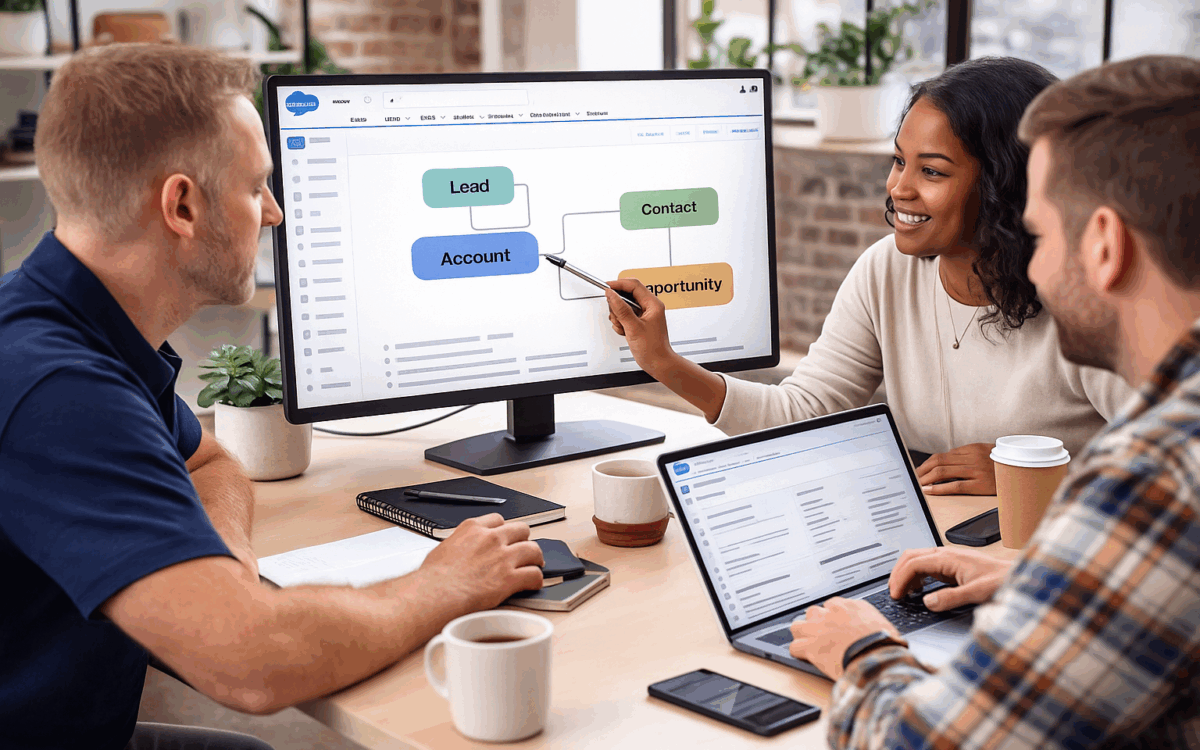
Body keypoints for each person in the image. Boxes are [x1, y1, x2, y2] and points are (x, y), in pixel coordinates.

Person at [0, 44, 544, 750]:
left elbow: (213, 464)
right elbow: (250, 666)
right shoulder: (61, 392)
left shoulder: (73, 328)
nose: (276, 212)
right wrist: (443, 584)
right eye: (255, 185)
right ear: (183, 205)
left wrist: (223, 561)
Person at [788, 54, 1200, 748]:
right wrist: (1038, 574)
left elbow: (928, 742)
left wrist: (862, 648)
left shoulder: (1158, 476)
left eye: (1038, 234)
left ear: (1103, 245)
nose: (1030, 264)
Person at [606, 57, 1132, 496]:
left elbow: (1178, 461)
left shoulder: (1085, 298)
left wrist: (1038, 477)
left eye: (931, 171)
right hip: (940, 544)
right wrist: (663, 362)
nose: (898, 188)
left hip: (1058, 555)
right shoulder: (887, 271)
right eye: (898, 161)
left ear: (1005, 183)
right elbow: (802, 411)